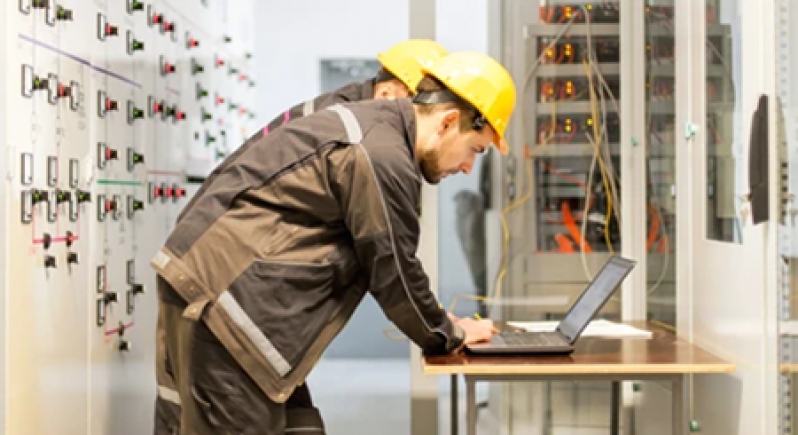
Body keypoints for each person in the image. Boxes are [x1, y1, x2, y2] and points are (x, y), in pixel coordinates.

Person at [150, 51, 516, 434]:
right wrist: (446, 333)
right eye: (475, 149)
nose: (468, 167)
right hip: (225, 305)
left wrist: (440, 324)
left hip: (228, 297)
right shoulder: (382, 153)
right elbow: (393, 268)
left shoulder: (376, 130)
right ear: (448, 121)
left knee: (300, 427)